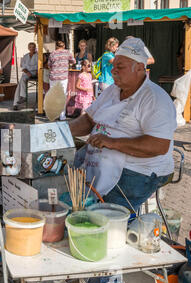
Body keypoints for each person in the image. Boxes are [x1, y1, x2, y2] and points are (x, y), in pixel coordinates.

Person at [69, 37, 176, 213]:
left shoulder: (155, 99)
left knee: (104, 213)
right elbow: (89, 120)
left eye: (120, 67)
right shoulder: (112, 90)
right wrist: (62, 131)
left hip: (138, 170)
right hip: (100, 160)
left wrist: (111, 143)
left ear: (140, 68)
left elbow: (159, 145)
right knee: (70, 188)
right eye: (113, 66)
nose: (113, 71)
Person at [48, 40, 76, 120]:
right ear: (63, 46)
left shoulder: (52, 53)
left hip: (53, 77)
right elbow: (74, 61)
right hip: (63, 77)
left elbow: (49, 65)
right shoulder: (67, 52)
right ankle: (62, 116)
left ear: (56, 46)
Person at [13, 42, 39, 109]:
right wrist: (27, 72)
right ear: (28, 48)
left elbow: (39, 67)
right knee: (21, 82)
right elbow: (23, 67)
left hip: (35, 73)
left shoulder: (38, 56)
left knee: (22, 80)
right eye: (30, 47)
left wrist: (36, 73)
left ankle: (22, 98)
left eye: (33, 47)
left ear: (35, 48)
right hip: (27, 73)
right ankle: (16, 103)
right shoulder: (25, 56)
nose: (32, 48)